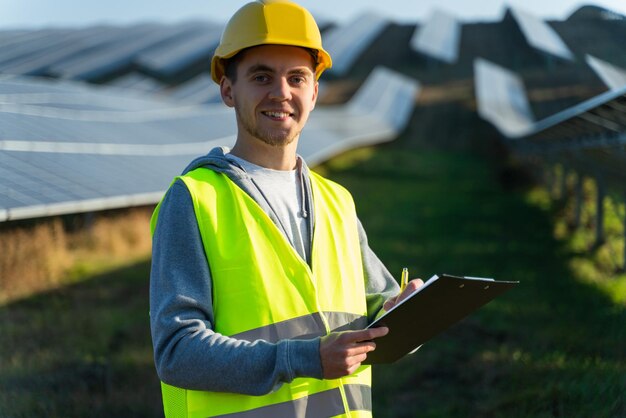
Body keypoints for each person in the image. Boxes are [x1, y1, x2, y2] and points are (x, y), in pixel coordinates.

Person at [149, 1, 422, 417]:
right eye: (262, 77)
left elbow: (376, 309)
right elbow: (176, 350)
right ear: (227, 89)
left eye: (297, 77)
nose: (281, 92)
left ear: (314, 92)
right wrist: (303, 359)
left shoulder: (338, 202)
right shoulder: (194, 198)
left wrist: (405, 312)